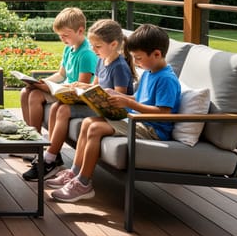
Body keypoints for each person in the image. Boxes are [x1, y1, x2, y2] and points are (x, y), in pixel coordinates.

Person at [49, 23, 181, 202]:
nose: (135, 62)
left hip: (152, 129)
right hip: (136, 120)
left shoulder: (165, 78)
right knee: (88, 123)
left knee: (95, 129)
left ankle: (83, 183)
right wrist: (115, 94)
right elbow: (139, 98)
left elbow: (163, 113)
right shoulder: (150, 72)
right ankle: (74, 173)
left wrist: (126, 101)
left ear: (157, 54)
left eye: (138, 58)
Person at [22, 19, 136, 181]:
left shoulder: (119, 67)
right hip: (96, 104)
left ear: (113, 44)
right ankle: (52, 156)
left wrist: (89, 93)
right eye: (92, 45)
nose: (93, 49)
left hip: (111, 112)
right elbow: (96, 85)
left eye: (97, 46)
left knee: (63, 109)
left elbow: (118, 100)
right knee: (57, 107)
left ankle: (49, 160)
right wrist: (80, 86)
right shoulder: (101, 60)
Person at [20, 7, 98, 134]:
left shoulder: (87, 54)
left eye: (65, 35)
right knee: (25, 91)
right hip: (62, 89)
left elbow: (79, 87)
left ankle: (36, 139)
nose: (62, 39)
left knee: (34, 95)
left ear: (80, 31)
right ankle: (29, 135)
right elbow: (61, 74)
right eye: (60, 36)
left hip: (72, 95)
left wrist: (48, 87)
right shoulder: (69, 48)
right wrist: (43, 81)